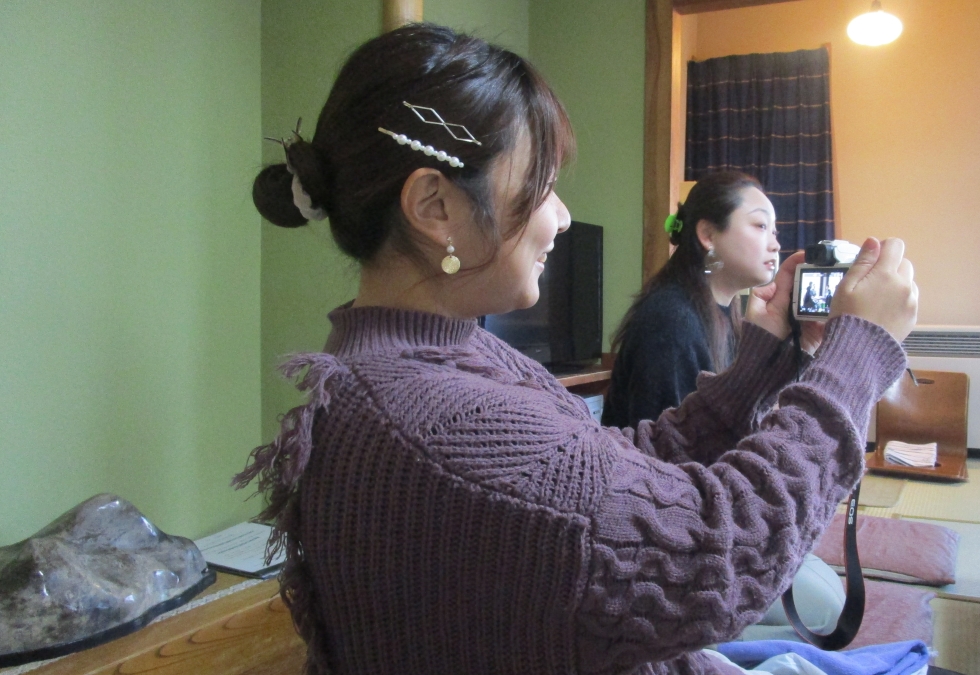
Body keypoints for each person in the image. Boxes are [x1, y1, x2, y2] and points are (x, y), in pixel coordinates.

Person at [236, 23, 918, 675]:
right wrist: (857, 357)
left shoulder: (438, 356)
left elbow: (619, 466)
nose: (561, 216)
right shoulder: (432, 421)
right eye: (542, 185)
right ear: (434, 207)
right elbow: (721, 550)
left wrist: (762, 358)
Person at [603, 172, 796, 428]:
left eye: (774, 231)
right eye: (761, 226)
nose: (776, 244)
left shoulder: (728, 316)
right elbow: (667, 446)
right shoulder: (671, 321)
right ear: (708, 235)